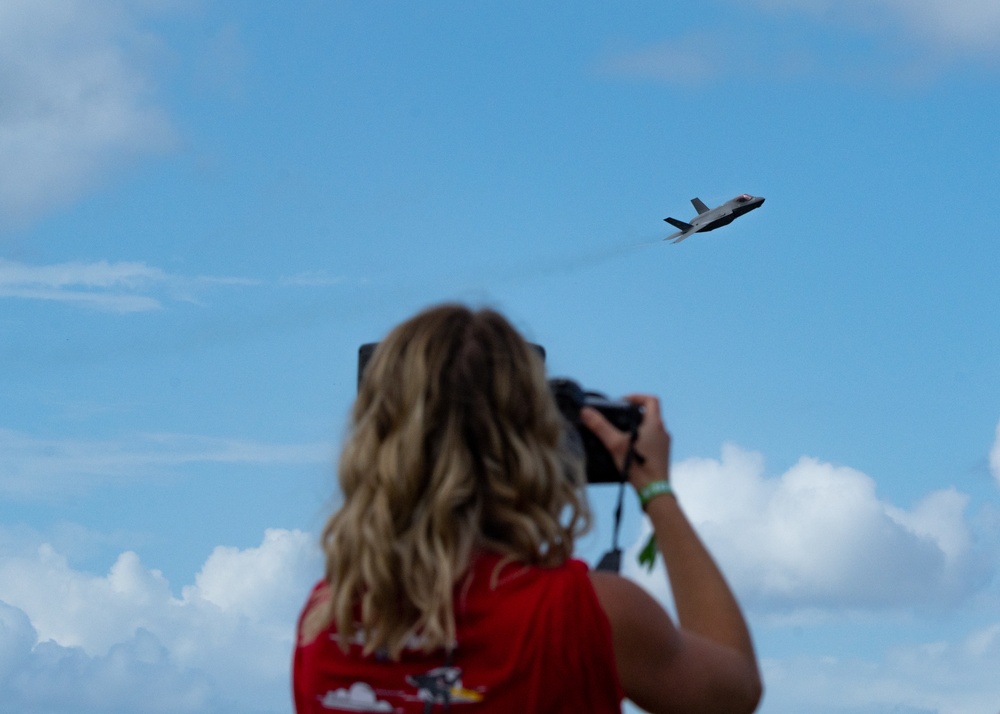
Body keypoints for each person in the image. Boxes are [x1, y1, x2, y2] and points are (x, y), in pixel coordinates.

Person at [293, 304, 762, 713]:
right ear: (537, 441)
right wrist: (655, 488)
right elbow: (734, 689)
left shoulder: (324, 622)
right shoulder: (589, 613)